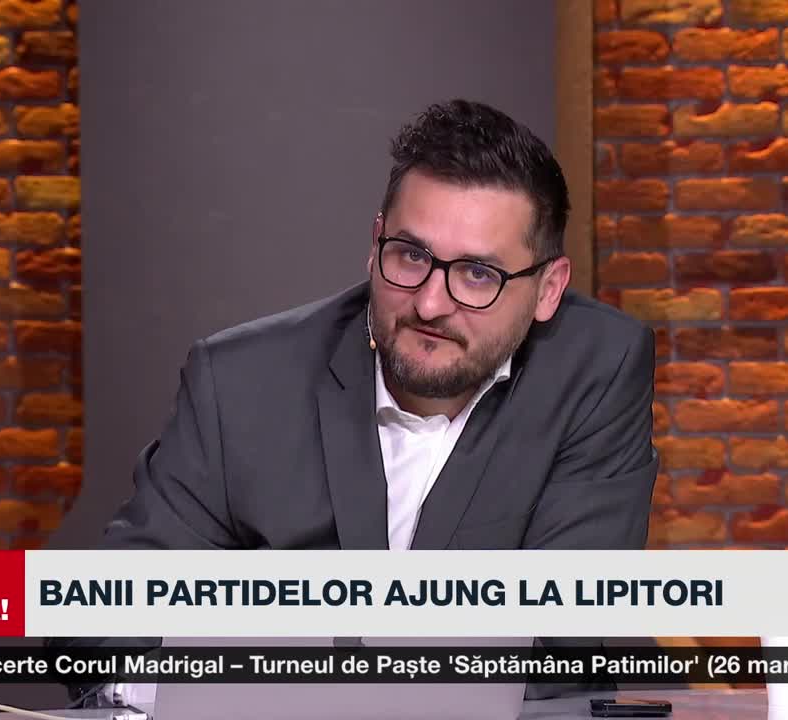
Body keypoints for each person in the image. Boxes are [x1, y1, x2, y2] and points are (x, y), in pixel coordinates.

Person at [50, 98, 659, 703]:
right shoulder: (240, 383)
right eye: (411, 256)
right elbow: (105, 616)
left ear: (548, 289)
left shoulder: (598, 368)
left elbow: (566, 633)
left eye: (478, 274)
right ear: (375, 243)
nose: (430, 304)